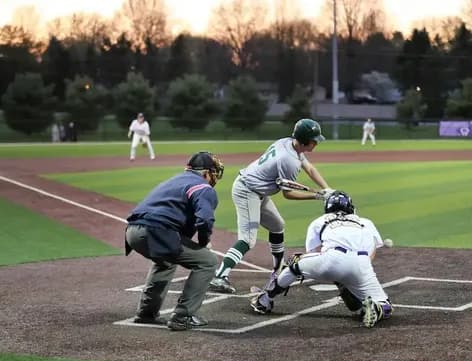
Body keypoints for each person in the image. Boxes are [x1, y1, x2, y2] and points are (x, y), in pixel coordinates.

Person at [209, 118, 334, 294]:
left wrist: (327, 189)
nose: (316, 143)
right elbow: (288, 194)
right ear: (305, 140)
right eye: (314, 140)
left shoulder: (288, 143)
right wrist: (317, 196)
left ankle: (278, 269)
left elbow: (310, 168)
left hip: (259, 191)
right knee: (248, 239)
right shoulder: (288, 160)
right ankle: (220, 276)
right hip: (247, 191)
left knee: (277, 225)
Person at [250, 191, 393, 328]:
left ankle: (265, 300)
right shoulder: (365, 222)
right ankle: (378, 308)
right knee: (386, 304)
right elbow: (371, 252)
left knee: (295, 263)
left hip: (332, 260)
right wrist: (352, 279)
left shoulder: (320, 221)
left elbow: (313, 252)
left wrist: (333, 272)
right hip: (362, 264)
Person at [124, 151, 224, 331]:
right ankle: (183, 316)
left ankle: (146, 313)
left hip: (132, 233)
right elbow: (205, 220)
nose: (214, 175)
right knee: (208, 261)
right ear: (205, 173)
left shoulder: (174, 180)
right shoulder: (203, 187)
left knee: (166, 261)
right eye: (213, 171)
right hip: (156, 231)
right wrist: (204, 242)